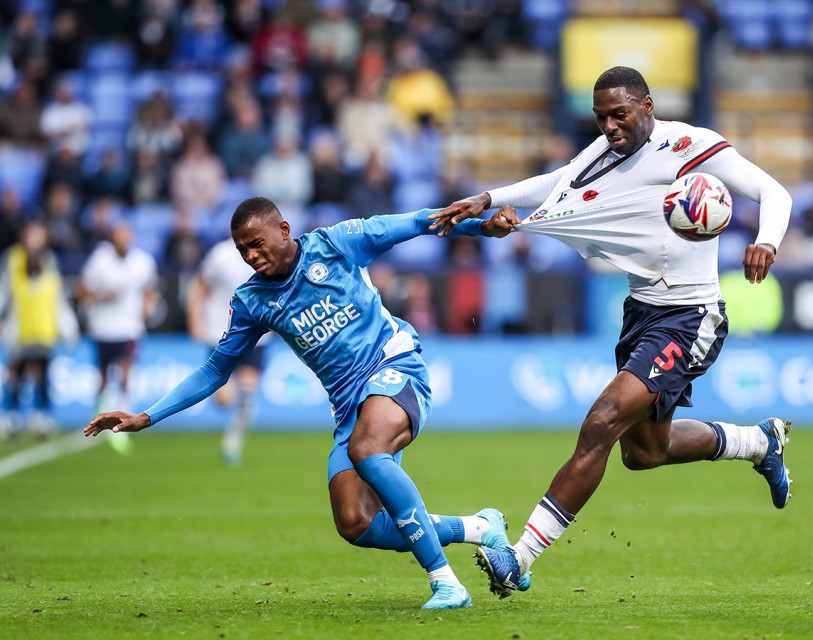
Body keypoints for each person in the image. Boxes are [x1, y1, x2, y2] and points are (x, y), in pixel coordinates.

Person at [430, 66, 794, 598]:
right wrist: (489, 198)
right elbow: (558, 184)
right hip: (641, 313)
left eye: (618, 114)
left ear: (647, 105)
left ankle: (520, 559)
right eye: (601, 117)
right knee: (643, 452)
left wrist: (768, 240)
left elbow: (772, 190)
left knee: (602, 421)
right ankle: (757, 441)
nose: (609, 126)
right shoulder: (602, 154)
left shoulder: (691, 145)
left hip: (691, 317)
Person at [85, 197, 516, 610]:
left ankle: (445, 582)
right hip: (350, 405)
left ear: (284, 230)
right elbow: (215, 371)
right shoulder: (252, 301)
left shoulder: (335, 244)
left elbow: (420, 221)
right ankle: (479, 527)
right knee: (355, 522)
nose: (251, 255)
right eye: (242, 250)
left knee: (365, 450)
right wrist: (146, 415)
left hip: (394, 364)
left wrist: (483, 228)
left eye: (256, 243)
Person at [77, 223, 158, 453]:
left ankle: (122, 423)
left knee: (124, 374)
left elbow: (149, 287)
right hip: (102, 328)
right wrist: (102, 297)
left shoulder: (142, 262)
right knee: (103, 378)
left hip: (129, 328)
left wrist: (147, 305)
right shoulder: (99, 260)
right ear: (113, 240)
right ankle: (97, 416)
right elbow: (82, 291)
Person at [186, 236, 268, 465]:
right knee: (224, 400)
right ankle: (233, 404)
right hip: (221, 332)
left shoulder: (265, 253)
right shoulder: (219, 255)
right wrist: (194, 319)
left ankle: (232, 445)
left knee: (249, 391)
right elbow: (201, 286)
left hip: (258, 334)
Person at [0, 222, 78, 438]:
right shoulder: (13, 261)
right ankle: (10, 416)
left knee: (42, 376)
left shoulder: (49, 267)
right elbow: (5, 293)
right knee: (16, 375)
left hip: (43, 334)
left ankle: (41, 416)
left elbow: (58, 303)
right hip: (20, 333)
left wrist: (68, 329)